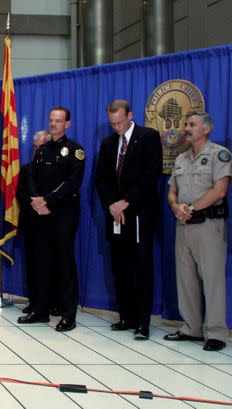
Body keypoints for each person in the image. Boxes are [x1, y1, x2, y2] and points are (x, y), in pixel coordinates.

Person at [94, 100, 162, 340]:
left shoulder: (148, 137)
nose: (117, 127)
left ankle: (143, 322)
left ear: (130, 115)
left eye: (120, 122)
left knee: (141, 267)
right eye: (113, 124)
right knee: (120, 266)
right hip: (115, 214)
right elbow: (101, 178)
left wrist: (127, 202)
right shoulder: (108, 142)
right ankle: (126, 316)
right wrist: (112, 205)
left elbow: (151, 175)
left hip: (139, 213)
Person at [165, 111, 230, 352]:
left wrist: (190, 208)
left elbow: (220, 191)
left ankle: (215, 332)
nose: (186, 128)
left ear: (206, 129)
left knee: (212, 279)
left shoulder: (219, 155)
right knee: (186, 278)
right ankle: (191, 327)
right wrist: (175, 206)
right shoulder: (181, 158)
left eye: (192, 124)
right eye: (185, 124)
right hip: (183, 225)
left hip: (208, 225)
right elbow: (172, 191)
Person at [18, 106, 85, 332]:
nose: (54, 124)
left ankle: (68, 315)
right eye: (51, 120)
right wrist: (37, 200)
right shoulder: (42, 150)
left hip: (63, 214)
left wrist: (46, 200)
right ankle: (40, 310)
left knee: (65, 264)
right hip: (40, 215)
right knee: (40, 263)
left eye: (58, 121)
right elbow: (32, 178)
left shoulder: (75, 150)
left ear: (67, 124)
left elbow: (72, 182)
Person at [17, 130, 50, 314]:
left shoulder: (54, 168)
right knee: (31, 265)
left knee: (49, 265)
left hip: (48, 223)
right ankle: (34, 302)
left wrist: (43, 204)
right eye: (35, 147)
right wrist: (34, 204)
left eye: (41, 147)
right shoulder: (26, 168)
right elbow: (20, 194)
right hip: (30, 222)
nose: (38, 151)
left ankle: (51, 303)